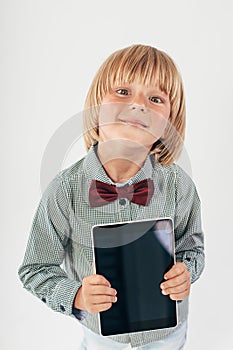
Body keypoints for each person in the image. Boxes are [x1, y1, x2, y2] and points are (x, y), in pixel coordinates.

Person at [18, 44, 205, 349]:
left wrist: (187, 271)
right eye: (122, 91)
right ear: (96, 105)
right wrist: (76, 296)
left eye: (155, 98)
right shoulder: (64, 191)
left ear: (169, 123)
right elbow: (35, 269)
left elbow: (192, 248)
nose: (138, 105)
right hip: (102, 338)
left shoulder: (178, 186)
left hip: (168, 334)